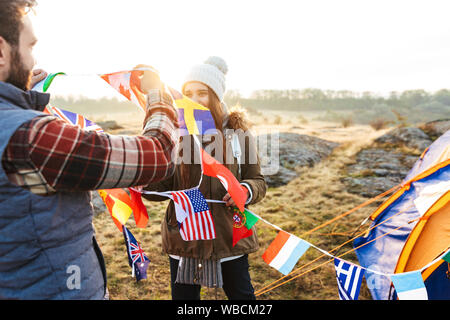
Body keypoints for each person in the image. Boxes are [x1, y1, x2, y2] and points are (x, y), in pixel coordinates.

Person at [0, 0, 179, 299]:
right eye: (30, 47)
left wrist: (25, 99)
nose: (33, 61)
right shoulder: (30, 138)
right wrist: (158, 96)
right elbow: (157, 155)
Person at [143, 56, 266, 300]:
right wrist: (144, 178)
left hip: (230, 235)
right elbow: (162, 187)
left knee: (242, 297)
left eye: (202, 93)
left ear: (216, 96)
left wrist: (246, 190)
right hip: (185, 237)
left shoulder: (237, 132)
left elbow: (258, 180)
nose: (194, 99)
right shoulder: (175, 133)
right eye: (188, 92)